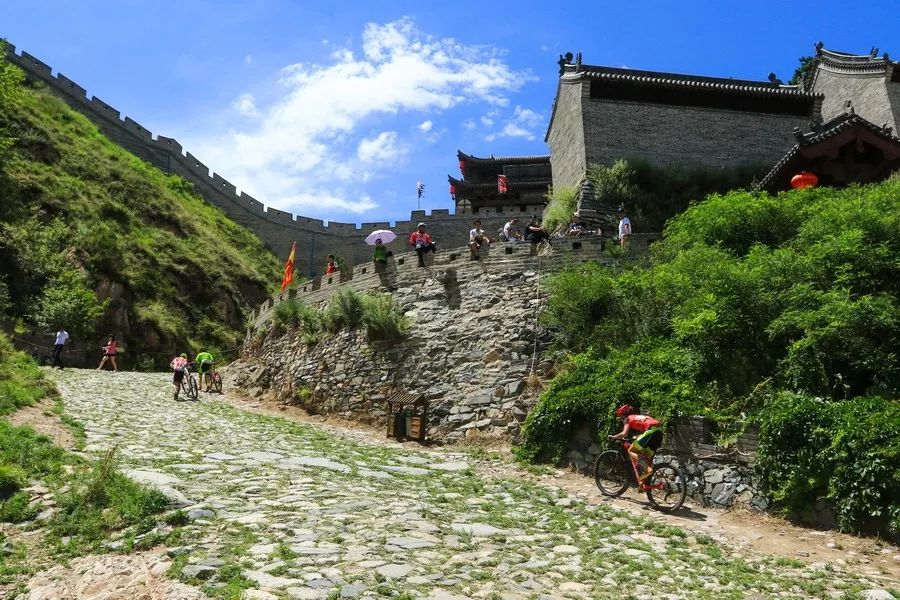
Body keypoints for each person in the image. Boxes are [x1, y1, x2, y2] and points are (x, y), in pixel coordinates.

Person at [609, 404, 662, 482]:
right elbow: (645, 430)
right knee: (646, 459)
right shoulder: (639, 417)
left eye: (621, 417)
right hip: (659, 433)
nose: (621, 419)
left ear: (623, 416)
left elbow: (624, 434)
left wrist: (613, 437)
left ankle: (648, 470)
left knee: (631, 451)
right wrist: (637, 437)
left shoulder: (627, 419)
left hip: (650, 432)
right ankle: (644, 484)